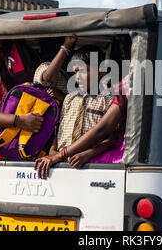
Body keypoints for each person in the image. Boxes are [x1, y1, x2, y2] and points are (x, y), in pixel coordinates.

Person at [34, 45, 118, 178]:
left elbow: (111, 138)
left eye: (83, 71)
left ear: (100, 71)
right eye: (75, 72)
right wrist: (53, 151)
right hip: (61, 161)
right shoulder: (69, 98)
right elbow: (59, 131)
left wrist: (88, 153)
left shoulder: (108, 98)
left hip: (89, 164)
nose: (78, 77)